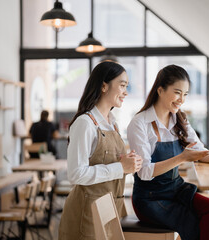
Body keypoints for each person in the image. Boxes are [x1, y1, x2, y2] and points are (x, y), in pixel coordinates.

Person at [127, 64, 209, 240]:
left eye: (185, 94)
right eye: (177, 92)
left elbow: (199, 150)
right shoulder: (140, 124)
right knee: (194, 222)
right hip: (150, 200)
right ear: (160, 90)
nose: (181, 99)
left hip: (176, 190)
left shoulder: (179, 118)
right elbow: (144, 172)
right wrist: (182, 157)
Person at [58, 61, 143, 240]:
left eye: (127, 86)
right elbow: (75, 175)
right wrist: (121, 167)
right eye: (122, 85)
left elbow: (107, 162)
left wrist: (127, 162)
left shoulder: (112, 123)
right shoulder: (85, 123)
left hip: (111, 209)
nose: (126, 92)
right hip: (86, 214)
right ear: (104, 86)